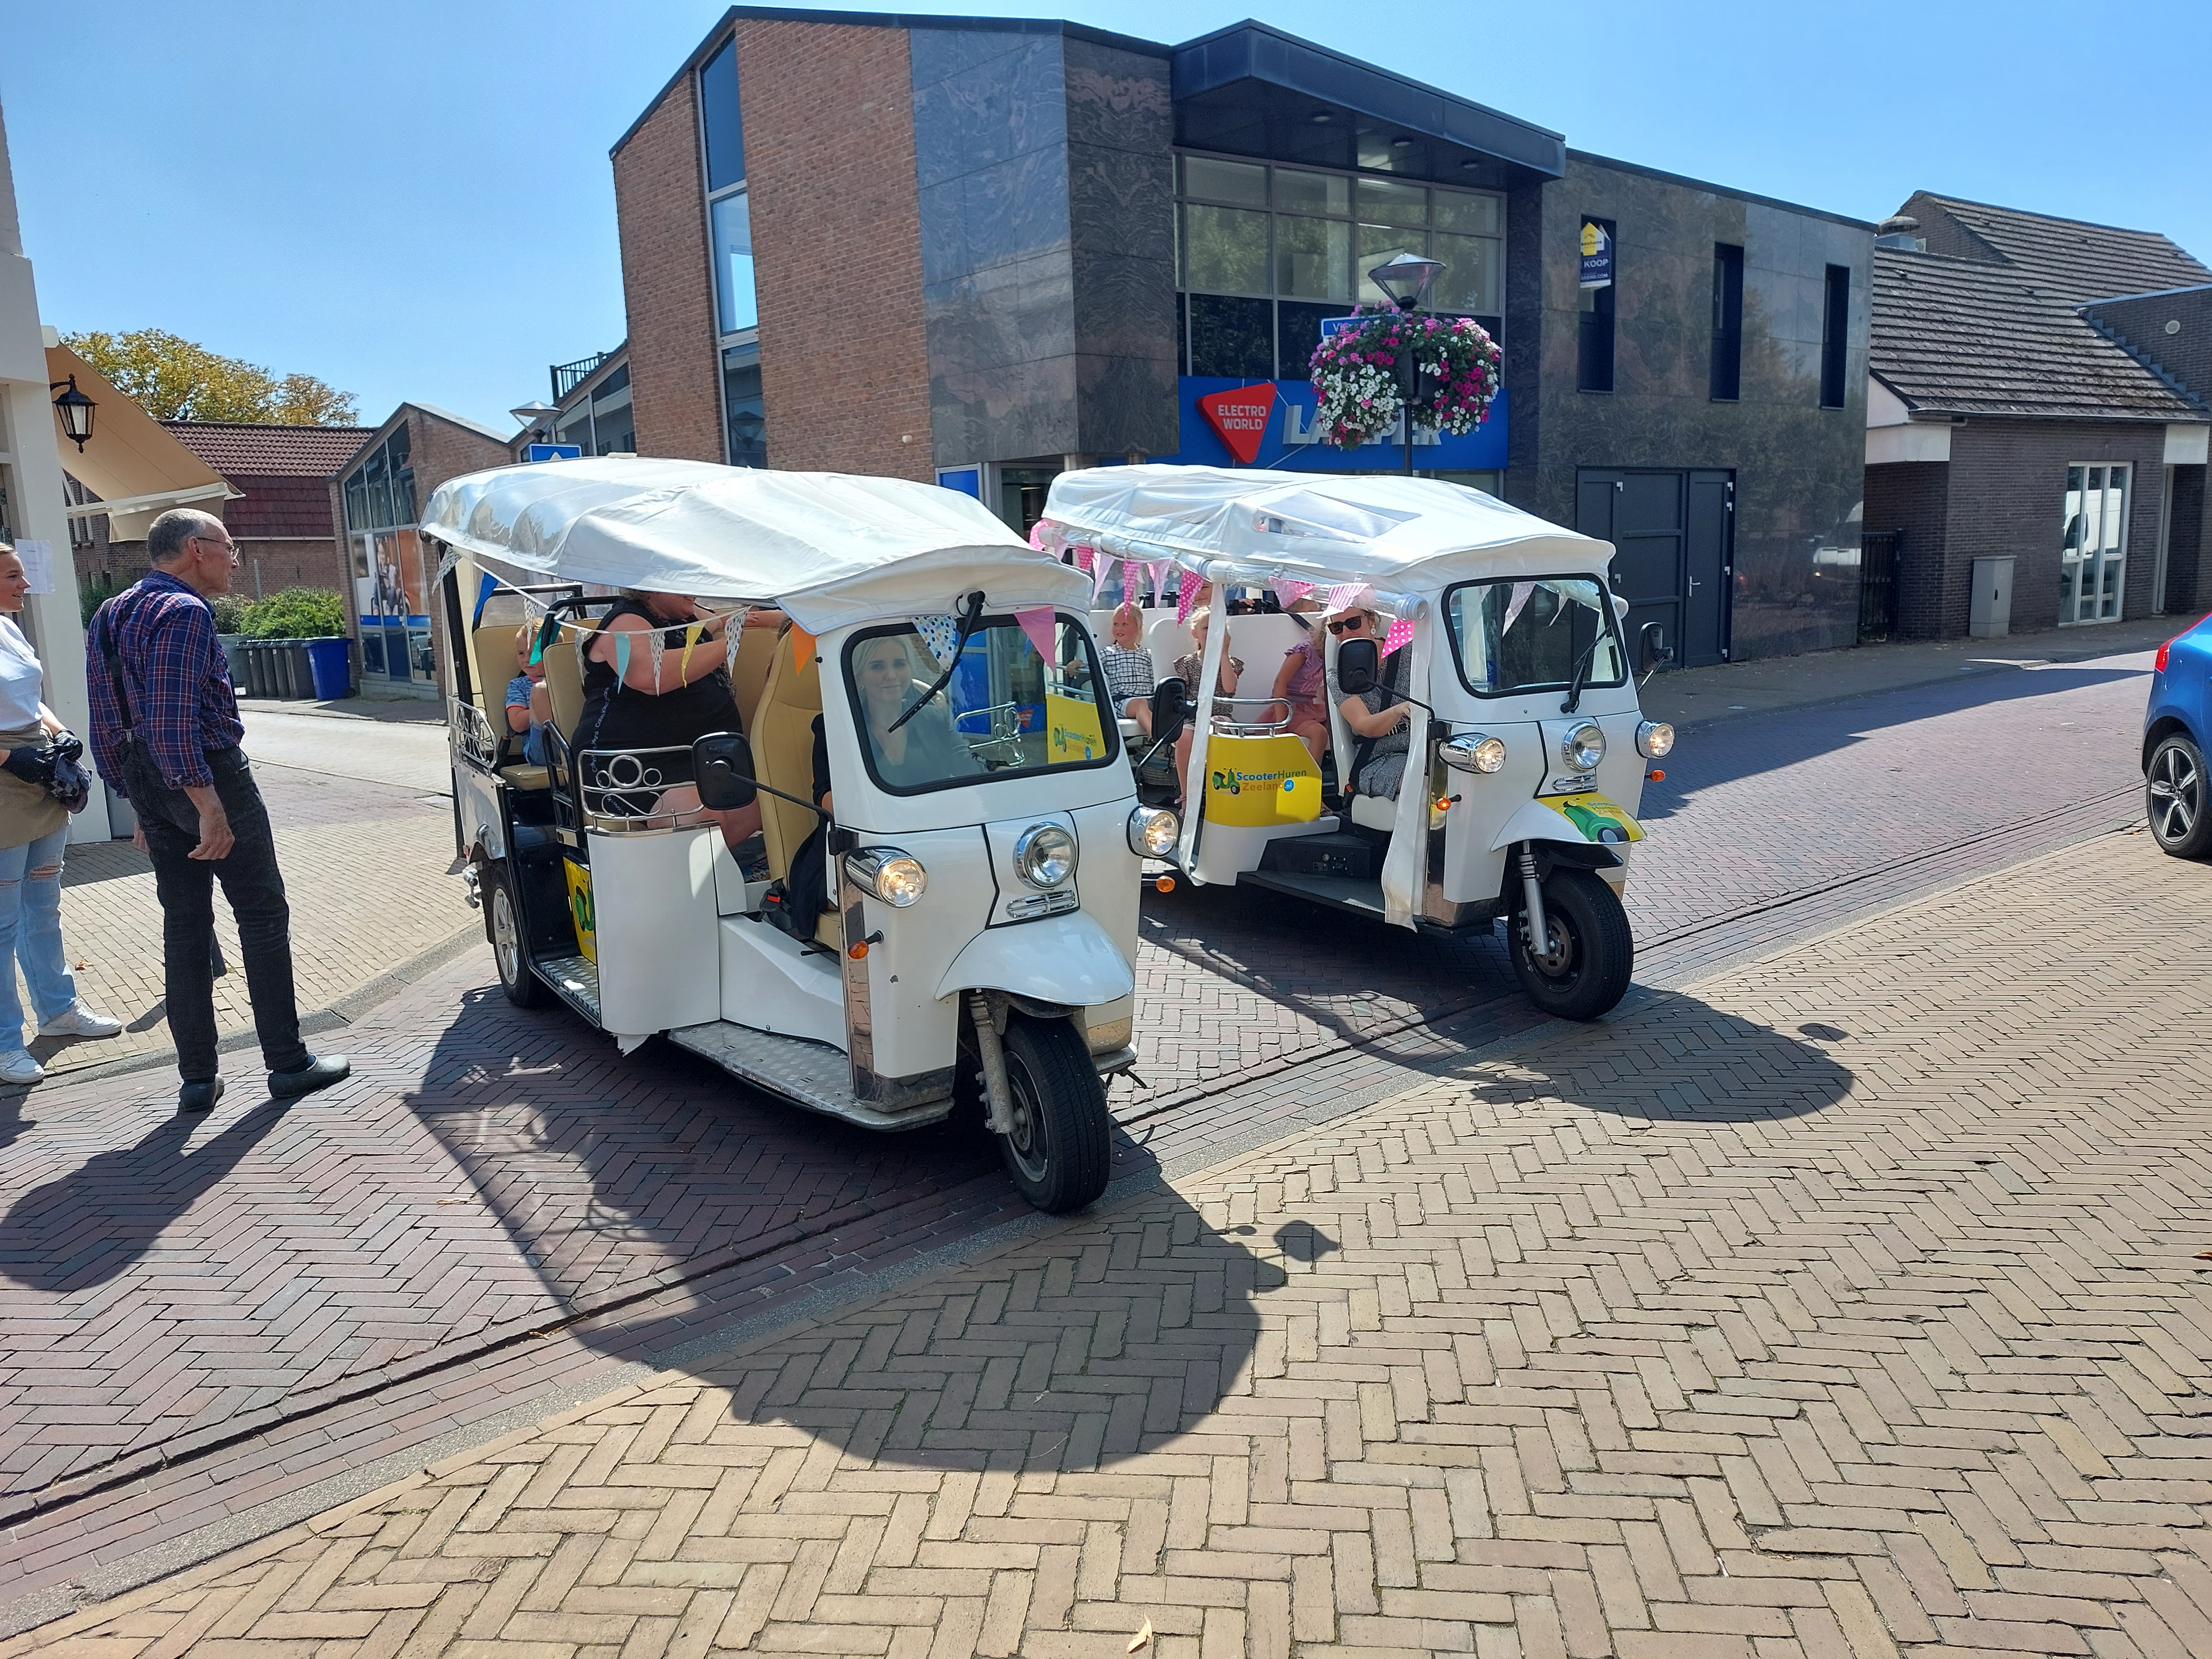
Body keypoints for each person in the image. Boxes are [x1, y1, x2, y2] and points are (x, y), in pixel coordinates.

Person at [86, 509, 348, 1113]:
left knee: (184, 927)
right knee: (261, 916)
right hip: (205, 774)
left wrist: (138, 803)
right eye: (230, 547)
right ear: (195, 549)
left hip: (145, 779)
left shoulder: (111, 611)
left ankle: (197, 1080)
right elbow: (174, 718)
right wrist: (207, 804)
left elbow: (109, 718)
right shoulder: (184, 612)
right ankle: (288, 1064)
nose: (236, 559)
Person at [0, 543, 122, 1084]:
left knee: (43, 905)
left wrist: (56, 730)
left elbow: (33, 697)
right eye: (12, 577)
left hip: (39, 777)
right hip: (6, 786)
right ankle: (5, 1044)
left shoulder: (8, 627)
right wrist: (12, 758)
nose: (23, 585)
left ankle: (58, 1012)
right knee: (1, 927)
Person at [576, 591, 762, 853]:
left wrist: (795, 620)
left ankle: (716, 879)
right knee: (705, 820)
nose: (693, 590)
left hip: (699, 754)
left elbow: (736, 620)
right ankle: (695, 884)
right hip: (633, 761)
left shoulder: (685, 614)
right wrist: (731, 644)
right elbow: (649, 676)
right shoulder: (625, 621)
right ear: (650, 585)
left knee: (764, 807)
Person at [851, 630, 981, 788]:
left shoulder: (934, 719)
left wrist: (997, 768)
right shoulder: (837, 728)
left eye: (899, 664)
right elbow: (828, 798)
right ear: (859, 678)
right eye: (877, 667)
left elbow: (968, 765)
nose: (891, 675)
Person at [1327, 608, 1413, 801]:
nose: (1346, 632)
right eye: (1337, 627)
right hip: (1378, 760)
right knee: (1421, 776)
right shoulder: (1337, 676)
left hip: (1424, 749)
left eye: (1353, 623)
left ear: (1372, 621)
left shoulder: (1410, 651)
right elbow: (1365, 726)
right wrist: (1398, 710)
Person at [1170, 607, 1242, 809]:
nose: (1211, 633)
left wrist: (1223, 653)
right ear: (1195, 633)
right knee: (1184, 738)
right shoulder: (1185, 663)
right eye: (1206, 628)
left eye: (1217, 628)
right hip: (1194, 716)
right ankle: (1187, 797)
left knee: (1215, 730)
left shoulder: (1231, 662)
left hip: (1220, 715)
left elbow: (1229, 688)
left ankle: (1217, 795)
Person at [1266, 612, 1330, 764]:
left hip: (1308, 707)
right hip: (1288, 706)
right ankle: (1310, 780)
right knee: (1319, 733)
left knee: (1339, 727)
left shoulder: (1331, 654)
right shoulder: (1305, 651)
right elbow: (1280, 683)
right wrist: (1281, 723)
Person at [1098, 602, 1158, 736]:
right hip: (1123, 701)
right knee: (1141, 705)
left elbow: (1154, 679)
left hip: (1148, 699)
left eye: (1125, 624)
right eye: (1116, 624)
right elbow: (1091, 665)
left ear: (1138, 628)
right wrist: (1078, 663)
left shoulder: (1147, 654)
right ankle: (1157, 739)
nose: (1119, 628)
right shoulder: (1108, 652)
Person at [504, 623, 551, 767]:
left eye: (534, 653)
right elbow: (517, 724)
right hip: (541, 751)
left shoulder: (567, 679)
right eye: (521, 653)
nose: (526, 659)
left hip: (572, 741)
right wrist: (545, 706)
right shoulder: (518, 685)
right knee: (541, 691)